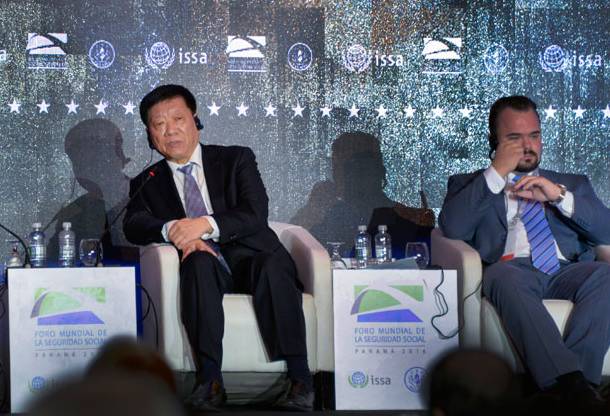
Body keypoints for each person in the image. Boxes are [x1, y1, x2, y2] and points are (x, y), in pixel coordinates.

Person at [123, 84, 313, 411]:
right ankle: (209, 381)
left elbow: (254, 212)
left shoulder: (235, 159)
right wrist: (174, 230)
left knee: (271, 266)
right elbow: (133, 224)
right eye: (159, 124)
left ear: (195, 120)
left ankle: (301, 379)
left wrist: (203, 225)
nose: (170, 130)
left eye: (178, 119)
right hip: (206, 266)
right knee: (197, 262)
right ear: (150, 135)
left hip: (254, 257)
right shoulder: (148, 180)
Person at [439, 96, 610, 410]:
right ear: (495, 142)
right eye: (514, 138)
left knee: (607, 275)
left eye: (534, 135)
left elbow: (606, 231)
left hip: (567, 271)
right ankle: (572, 387)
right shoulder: (468, 185)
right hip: (511, 270)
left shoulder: (572, 183)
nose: (527, 146)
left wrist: (558, 196)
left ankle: (576, 388)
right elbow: (453, 228)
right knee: (503, 275)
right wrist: (496, 172)